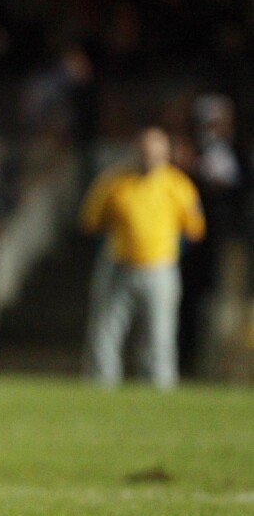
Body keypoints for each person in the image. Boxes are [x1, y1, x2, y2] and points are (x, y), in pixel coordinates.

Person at [79, 127, 205, 390]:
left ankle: (159, 387)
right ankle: (101, 386)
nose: (150, 158)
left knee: (160, 333)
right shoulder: (114, 181)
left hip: (160, 267)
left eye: (156, 153)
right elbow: (90, 221)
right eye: (145, 152)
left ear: (166, 154)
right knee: (106, 331)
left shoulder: (178, 185)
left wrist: (171, 250)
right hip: (119, 264)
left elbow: (194, 228)